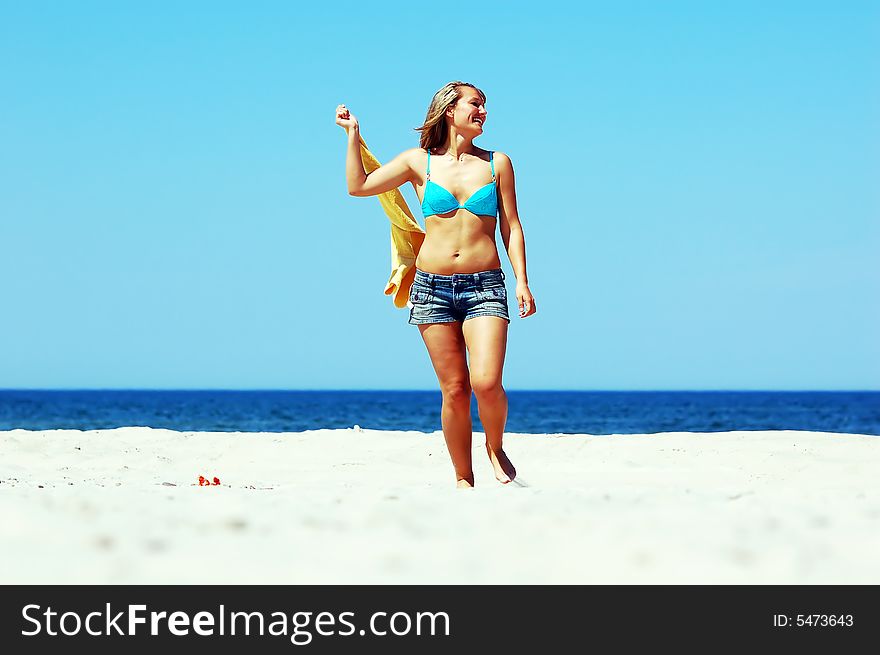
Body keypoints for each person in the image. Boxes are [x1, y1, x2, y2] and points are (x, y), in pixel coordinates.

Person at [335, 81, 536, 488]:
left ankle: (494, 446)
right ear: (449, 110)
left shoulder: (497, 163)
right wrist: (353, 135)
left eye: (484, 106)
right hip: (433, 289)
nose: (483, 111)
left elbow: (512, 227)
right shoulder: (418, 162)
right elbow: (358, 187)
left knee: (486, 382)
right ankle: (463, 477)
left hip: (485, 287)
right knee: (455, 390)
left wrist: (522, 282)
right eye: (475, 104)